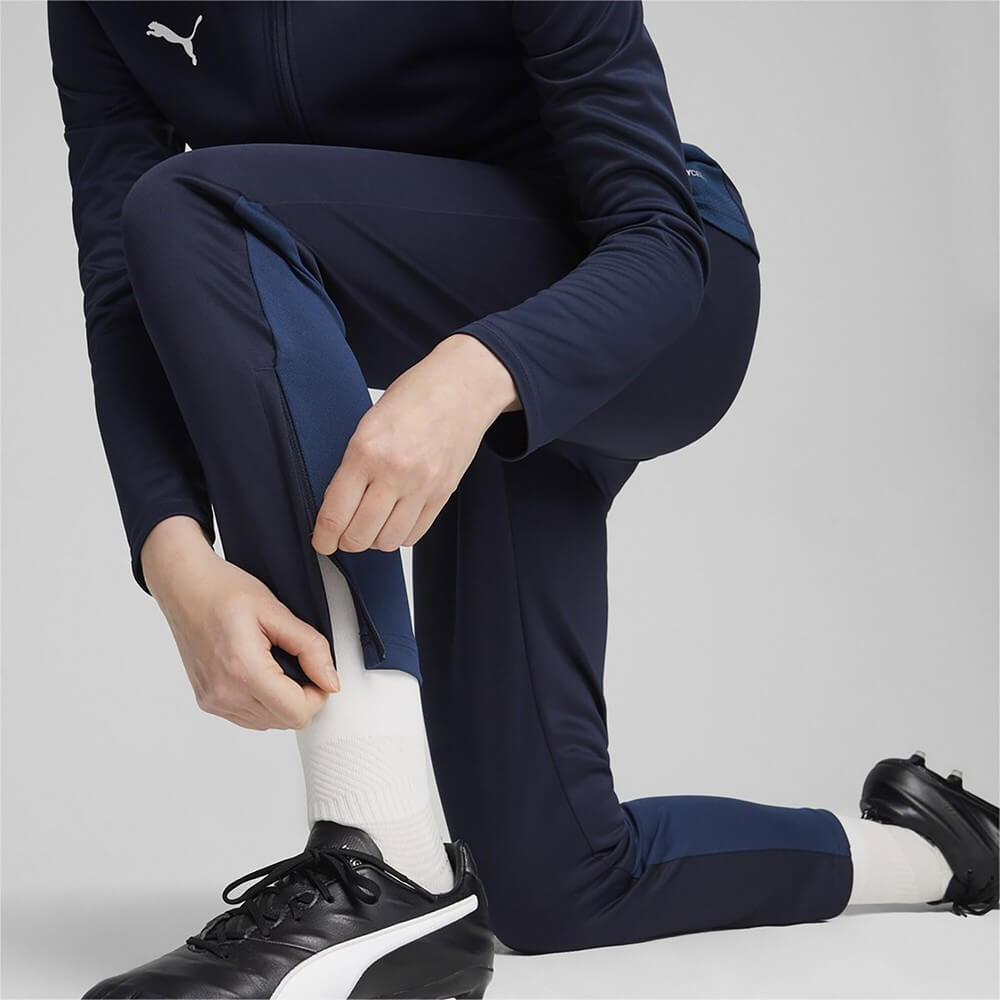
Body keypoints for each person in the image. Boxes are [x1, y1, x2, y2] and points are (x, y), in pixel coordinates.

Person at [46, 2, 998, 998]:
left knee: (194, 202)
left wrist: (476, 373)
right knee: (548, 884)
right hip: (457, 343)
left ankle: (381, 858)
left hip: (650, 294)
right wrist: (173, 554)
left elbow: (657, 236)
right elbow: (122, 289)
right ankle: (930, 850)